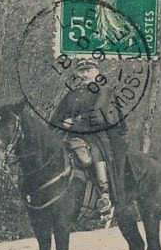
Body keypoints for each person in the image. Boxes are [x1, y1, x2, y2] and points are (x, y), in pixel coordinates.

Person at [53, 59, 127, 218]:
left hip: (95, 135)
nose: (85, 74)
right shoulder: (71, 94)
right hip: (70, 135)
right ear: (77, 73)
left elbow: (102, 115)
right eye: (82, 71)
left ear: (96, 72)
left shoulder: (104, 92)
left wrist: (75, 121)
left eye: (89, 70)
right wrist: (59, 126)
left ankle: (105, 196)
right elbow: (57, 117)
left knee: (93, 154)